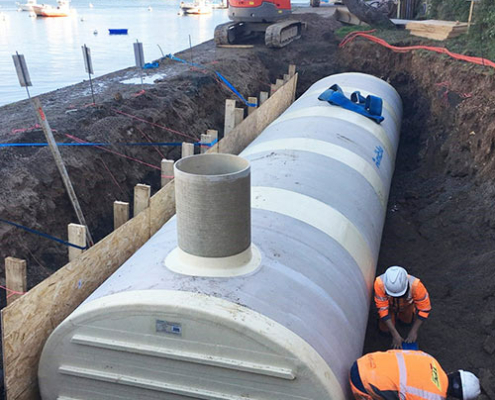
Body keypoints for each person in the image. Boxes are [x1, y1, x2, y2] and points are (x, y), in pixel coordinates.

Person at [349, 350, 481, 400]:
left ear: (454, 373)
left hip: (365, 361)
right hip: (361, 383)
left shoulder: (430, 359)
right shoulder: (434, 397)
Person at [374, 265, 431, 348]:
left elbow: (424, 309)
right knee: (385, 330)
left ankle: (404, 322)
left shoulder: (417, 286)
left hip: (407, 305)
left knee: (406, 321)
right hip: (389, 307)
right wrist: (394, 334)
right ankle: (388, 329)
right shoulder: (379, 284)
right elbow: (382, 309)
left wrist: (414, 331)